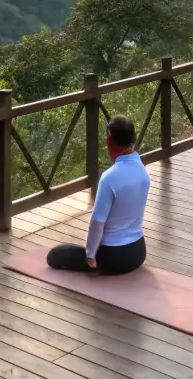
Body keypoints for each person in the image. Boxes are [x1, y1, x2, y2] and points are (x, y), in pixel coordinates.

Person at [46, 114, 150, 275]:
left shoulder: (110, 177)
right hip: (137, 253)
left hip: (112, 257)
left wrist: (90, 255)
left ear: (110, 140)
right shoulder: (143, 171)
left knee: (55, 256)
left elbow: (97, 221)